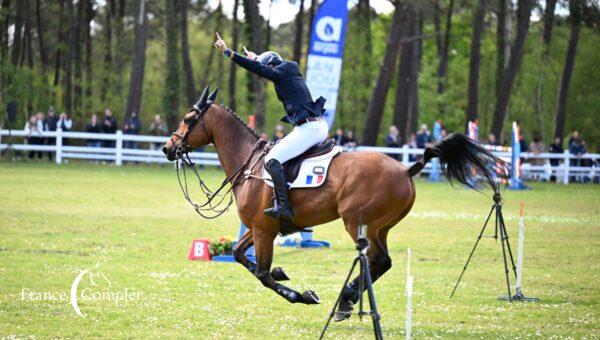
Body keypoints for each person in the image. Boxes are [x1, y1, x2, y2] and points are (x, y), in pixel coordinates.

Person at [215, 32, 328, 220]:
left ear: (271, 66)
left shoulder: (284, 71)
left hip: (309, 129)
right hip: (312, 127)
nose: (267, 79)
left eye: (266, 72)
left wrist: (229, 52)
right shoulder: (286, 72)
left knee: (272, 159)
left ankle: (284, 206)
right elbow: (261, 67)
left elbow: (260, 69)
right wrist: (255, 58)